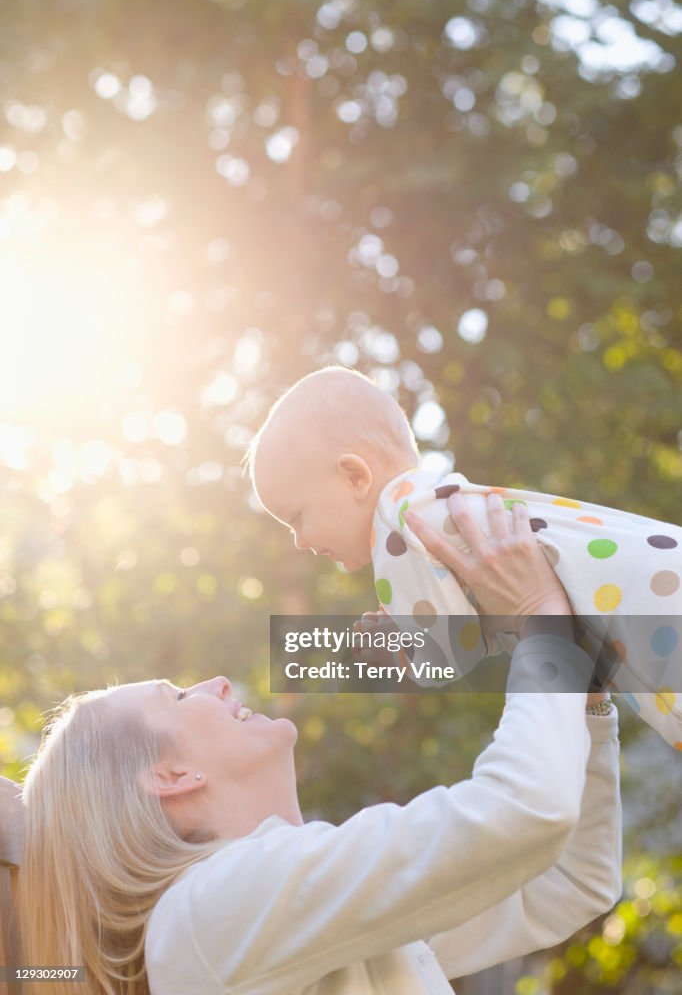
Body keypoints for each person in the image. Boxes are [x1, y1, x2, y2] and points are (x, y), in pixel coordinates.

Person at [19, 496, 620, 995]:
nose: (217, 683)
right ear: (170, 775)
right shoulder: (211, 908)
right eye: (177, 697)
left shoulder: (273, 906)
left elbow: (567, 881)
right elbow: (523, 811)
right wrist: (542, 619)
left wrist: (584, 694)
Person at [247, 365, 682, 747]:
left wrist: (400, 650)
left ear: (355, 476)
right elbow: (490, 622)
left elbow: (445, 661)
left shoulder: (400, 528)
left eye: (297, 517)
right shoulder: (440, 503)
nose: (299, 541)